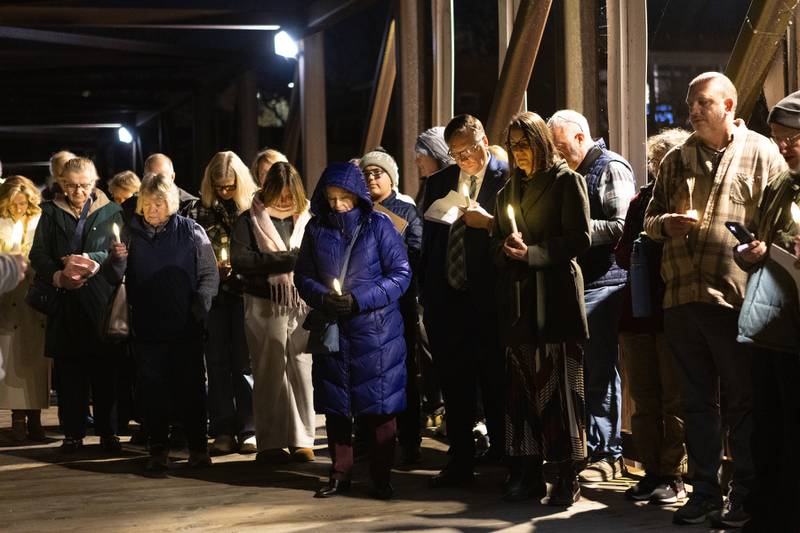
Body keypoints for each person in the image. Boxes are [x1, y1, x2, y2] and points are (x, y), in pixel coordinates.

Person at [644, 71, 786, 527]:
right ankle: (704, 490)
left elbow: (782, 223)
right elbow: (648, 220)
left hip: (738, 299)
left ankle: (746, 494)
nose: (693, 111)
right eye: (691, 104)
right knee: (696, 401)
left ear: (729, 105)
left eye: (703, 102)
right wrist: (665, 224)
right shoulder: (676, 159)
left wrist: (764, 247)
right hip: (684, 297)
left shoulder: (763, 153)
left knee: (743, 401)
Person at [294, 162, 411, 500]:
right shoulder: (316, 229)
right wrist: (322, 297)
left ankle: (380, 477)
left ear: (358, 196)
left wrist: (358, 300)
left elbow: (400, 274)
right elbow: (303, 275)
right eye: (330, 198)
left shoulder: (379, 225)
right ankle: (339, 474)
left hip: (376, 333)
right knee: (337, 408)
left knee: (378, 410)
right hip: (334, 330)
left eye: (344, 197)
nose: (337, 205)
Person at [493, 111, 590, 506]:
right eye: (513, 146)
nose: (518, 153)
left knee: (560, 389)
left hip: (555, 297)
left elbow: (579, 238)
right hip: (519, 301)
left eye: (524, 145)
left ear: (541, 144)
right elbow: (495, 241)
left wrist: (532, 253)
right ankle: (527, 471)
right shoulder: (506, 193)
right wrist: (503, 249)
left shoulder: (568, 182)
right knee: (521, 389)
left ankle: (566, 474)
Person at [419, 114, 509, 487]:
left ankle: (505, 456)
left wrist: (489, 223)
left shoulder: (509, 177)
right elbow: (431, 242)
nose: (465, 159)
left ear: (484, 140)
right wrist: (430, 293)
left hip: (491, 296)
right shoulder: (440, 181)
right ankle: (459, 458)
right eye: (456, 153)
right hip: (448, 298)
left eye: (470, 149)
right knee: (454, 382)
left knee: (497, 381)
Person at [107, 174, 219, 471]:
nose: (152, 209)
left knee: (191, 387)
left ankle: (197, 447)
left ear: (170, 203)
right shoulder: (130, 234)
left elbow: (209, 274)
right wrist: (116, 260)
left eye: (158, 203)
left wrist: (201, 305)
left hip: (186, 325)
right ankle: (157, 448)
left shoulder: (192, 231)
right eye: (147, 203)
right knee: (152, 389)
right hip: (147, 325)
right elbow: (113, 277)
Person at [547, 110, 636, 482]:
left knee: (599, 368)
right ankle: (586, 447)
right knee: (583, 369)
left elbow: (621, 225)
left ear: (581, 137)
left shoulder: (611, 168)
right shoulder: (574, 174)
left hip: (605, 284)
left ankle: (607, 453)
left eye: (560, 144)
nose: (556, 152)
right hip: (582, 283)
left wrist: (574, 230)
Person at [733, 90, 800, 532]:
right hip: (771, 325)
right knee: (768, 424)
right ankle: (769, 512)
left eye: (789, 139)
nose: (781, 147)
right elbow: (755, 236)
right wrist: (750, 250)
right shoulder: (781, 184)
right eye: (776, 138)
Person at [615, 129, 690, 504]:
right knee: (644, 397)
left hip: (670, 310)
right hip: (639, 310)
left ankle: (673, 473)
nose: (662, 171)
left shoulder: (690, 203)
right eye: (658, 164)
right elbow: (622, 251)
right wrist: (641, 245)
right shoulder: (641, 201)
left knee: (672, 398)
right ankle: (650, 470)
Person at [28, 157, 123, 453]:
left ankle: (109, 432)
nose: (77, 191)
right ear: (61, 184)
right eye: (70, 186)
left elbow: (117, 249)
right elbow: (38, 253)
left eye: (83, 185)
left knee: (104, 370)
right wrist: (58, 274)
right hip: (65, 298)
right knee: (69, 371)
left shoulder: (111, 211)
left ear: (94, 183)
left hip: (99, 298)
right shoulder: (49, 212)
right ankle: (73, 433)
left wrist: (89, 260)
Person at [230, 161, 315, 464]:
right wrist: (287, 260)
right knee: (269, 372)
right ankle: (271, 440)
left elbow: (315, 256)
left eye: (289, 195)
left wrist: (279, 260)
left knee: (302, 371)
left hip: (302, 302)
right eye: (279, 194)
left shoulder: (306, 219)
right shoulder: (248, 219)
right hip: (263, 302)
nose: (284, 201)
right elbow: (241, 260)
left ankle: (303, 438)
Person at [360, 149, 423, 464]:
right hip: (363, 305)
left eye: (377, 173)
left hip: (398, 303)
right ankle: (365, 441)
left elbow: (416, 250)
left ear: (391, 177)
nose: (372, 178)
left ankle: (410, 440)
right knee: (363, 370)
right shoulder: (356, 209)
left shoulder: (406, 211)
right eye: (366, 173)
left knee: (404, 371)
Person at [195, 151, 258, 455]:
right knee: (217, 363)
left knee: (244, 363)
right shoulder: (198, 210)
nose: (224, 192)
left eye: (230, 186)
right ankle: (222, 427)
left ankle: (249, 426)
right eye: (219, 186)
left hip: (245, 292)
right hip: (214, 295)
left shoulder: (252, 208)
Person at [0, 176, 48, 441]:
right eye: (14, 204)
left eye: (23, 203)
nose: (19, 208)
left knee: (35, 362)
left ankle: (35, 418)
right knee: (13, 358)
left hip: (33, 298)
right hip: (8, 296)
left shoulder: (39, 220)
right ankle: (18, 419)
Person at [413, 127, 453, 426]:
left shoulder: (446, 185)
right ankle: (437, 404)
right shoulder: (428, 186)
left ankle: (442, 406)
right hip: (429, 275)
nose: (418, 161)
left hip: (447, 274)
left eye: (422, 155)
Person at [121, 153, 198, 222]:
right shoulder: (130, 206)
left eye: (162, 178)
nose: (156, 183)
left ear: (172, 177)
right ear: (144, 178)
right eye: (152, 177)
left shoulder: (190, 205)